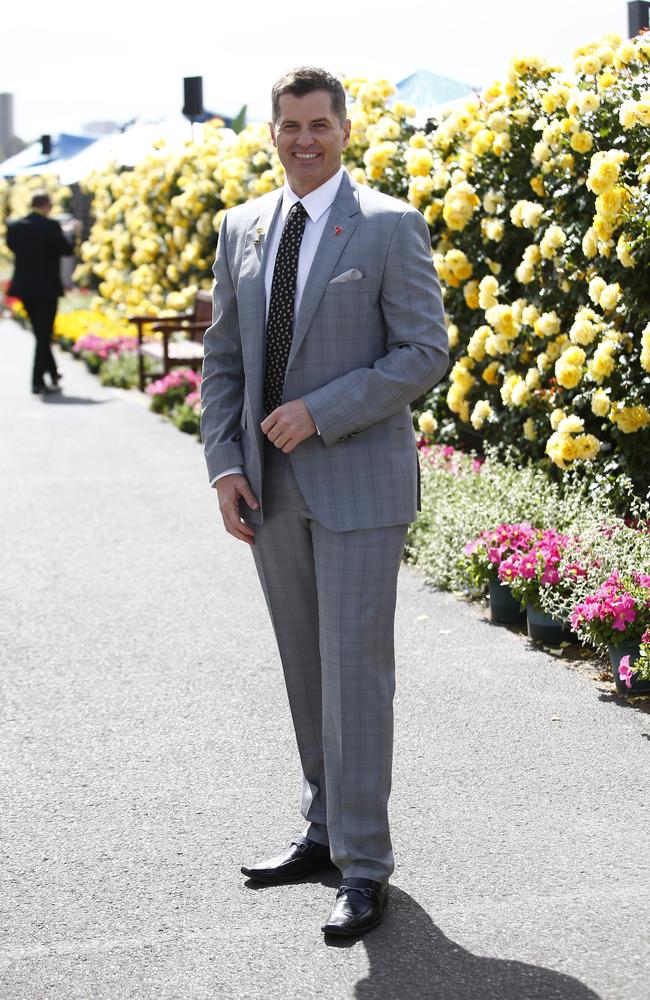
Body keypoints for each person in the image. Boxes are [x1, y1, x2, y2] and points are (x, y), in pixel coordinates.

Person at [200, 66, 449, 938]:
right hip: (268, 494)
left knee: (355, 681)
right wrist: (225, 464)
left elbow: (424, 351)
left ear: (346, 130)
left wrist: (320, 411)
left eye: (319, 124)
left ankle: (366, 864)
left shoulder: (386, 225)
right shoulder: (241, 227)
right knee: (306, 674)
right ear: (271, 132)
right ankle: (323, 834)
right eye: (289, 125)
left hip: (356, 485)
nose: (303, 139)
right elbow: (224, 360)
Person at [6, 190, 79, 394]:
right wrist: (71, 233)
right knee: (43, 334)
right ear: (47, 205)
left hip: (25, 288)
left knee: (41, 333)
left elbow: (13, 247)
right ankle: (37, 381)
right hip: (46, 289)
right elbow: (67, 249)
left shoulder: (15, 227)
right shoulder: (51, 226)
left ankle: (53, 372)